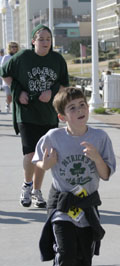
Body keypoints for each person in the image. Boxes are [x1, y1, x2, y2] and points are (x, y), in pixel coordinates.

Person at [32, 87, 116, 265]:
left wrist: (97, 158)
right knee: (66, 253)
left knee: (84, 256)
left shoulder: (100, 137)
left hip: (87, 204)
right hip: (62, 205)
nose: (79, 110)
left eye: (82, 104)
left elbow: (106, 174)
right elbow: (38, 160)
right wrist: (45, 164)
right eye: (72, 108)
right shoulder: (53, 137)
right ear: (62, 117)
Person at [0, 24, 69, 208]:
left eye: (48, 39)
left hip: (48, 115)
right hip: (27, 112)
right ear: (33, 41)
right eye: (41, 39)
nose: (45, 42)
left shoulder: (57, 60)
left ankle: (37, 191)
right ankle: (27, 185)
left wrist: (52, 91)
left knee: (44, 154)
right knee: (30, 152)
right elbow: (4, 73)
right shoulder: (23, 57)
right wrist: (18, 91)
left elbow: (64, 85)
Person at [1, 42, 20, 113]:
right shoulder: (6, 57)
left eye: (15, 46)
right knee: (9, 96)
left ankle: (16, 109)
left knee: (16, 96)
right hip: (7, 80)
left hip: (17, 79)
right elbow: (2, 68)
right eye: (12, 46)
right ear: (9, 48)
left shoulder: (19, 56)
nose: (14, 48)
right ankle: (8, 103)